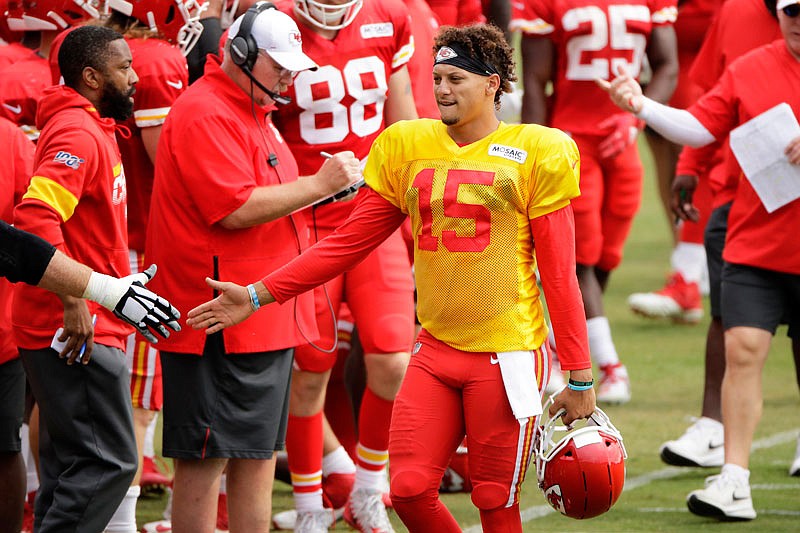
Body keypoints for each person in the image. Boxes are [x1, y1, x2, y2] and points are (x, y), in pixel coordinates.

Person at [188, 23, 596, 533]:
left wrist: (579, 374)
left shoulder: (538, 150)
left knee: (493, 499)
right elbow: (345, 244)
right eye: (438, 77)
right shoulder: (409, 144)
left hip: (507, 353)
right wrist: (257, 293)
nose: (442, 90)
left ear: (492, 84)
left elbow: (560, 277)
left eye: (456, 80)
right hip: (437, 348)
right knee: (406, 490)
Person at [143, 3, 362, 530]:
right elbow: (233, 207)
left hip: (254, 317)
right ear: (240, 55)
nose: (288, 75)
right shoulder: (206, 111)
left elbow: (263, 201)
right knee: (206, 458)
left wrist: (324, 196)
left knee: (256, 455)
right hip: (216, 317)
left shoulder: (250, 110)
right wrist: (320, 185)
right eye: (279, 64)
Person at [598, 0, 800, 519]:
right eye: (792, 10)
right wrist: (641, 106)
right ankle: (733, 478)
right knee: (744, 348)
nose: (799, 19)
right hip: (756, 238)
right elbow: (699, 125)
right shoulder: (752, 66)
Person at [9, 23, 182, 531]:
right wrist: (73, 299)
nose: (135, 77)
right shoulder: (78, 132)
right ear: (91, 76)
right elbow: (36, 218)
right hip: (73, 328)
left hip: (73, 318)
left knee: (70, 467)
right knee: (111, 461)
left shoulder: (87, 125)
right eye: (124, 67)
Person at [269, 1, 418, 531]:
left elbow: (406, 127)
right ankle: (311, 506)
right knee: (309, 372)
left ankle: (368, 490)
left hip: (374, 218)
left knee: (393, 360)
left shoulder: (388, 15)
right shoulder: (274, 19)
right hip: (304, 221)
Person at [510, 0, 679, 404]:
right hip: (571, 142)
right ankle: (606, 364)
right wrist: (535, 147)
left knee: (607, 256)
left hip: (621, 141)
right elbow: (535, 79)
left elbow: (666, 65)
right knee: (579, 258)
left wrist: (635, 116)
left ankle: (551, 343)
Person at [658, 0, 784, 470]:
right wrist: (690, 165)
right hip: (737, 193)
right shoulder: (735, 11)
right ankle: (713, 426)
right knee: (728, 316)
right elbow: (710, 94)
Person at [628, 0, 721, 324]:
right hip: (654, 67)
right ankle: (689, 269)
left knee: (698, 164)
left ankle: (693, 274)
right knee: (671, 171)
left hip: (701, 73)